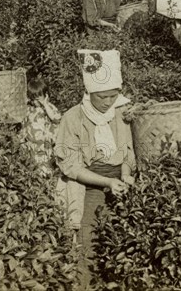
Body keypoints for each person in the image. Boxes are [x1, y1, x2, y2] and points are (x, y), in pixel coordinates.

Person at [55, 49, 135, 287]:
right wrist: (107, 183)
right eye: (102, 97)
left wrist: (125, 175)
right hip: (89, 185)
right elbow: (71, 165)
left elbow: (129, 150)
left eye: (113, 96)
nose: (108, 102)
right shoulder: (73, 118)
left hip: (120, 182)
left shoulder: (121, 113)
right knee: (87, 241)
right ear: (89, 93)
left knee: (124, 241)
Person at [21, 75, 62, 177]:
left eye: (39, 99)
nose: (36, 102)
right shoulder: (29, 109)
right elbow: (24, 123)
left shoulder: (49, 108)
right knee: (33, 166)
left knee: (46, 166)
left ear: (46, 95)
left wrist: (46, 104)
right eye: (33, 99)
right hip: (32, 144)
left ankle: (47, 180)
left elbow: (56, 119)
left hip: (45, 144)